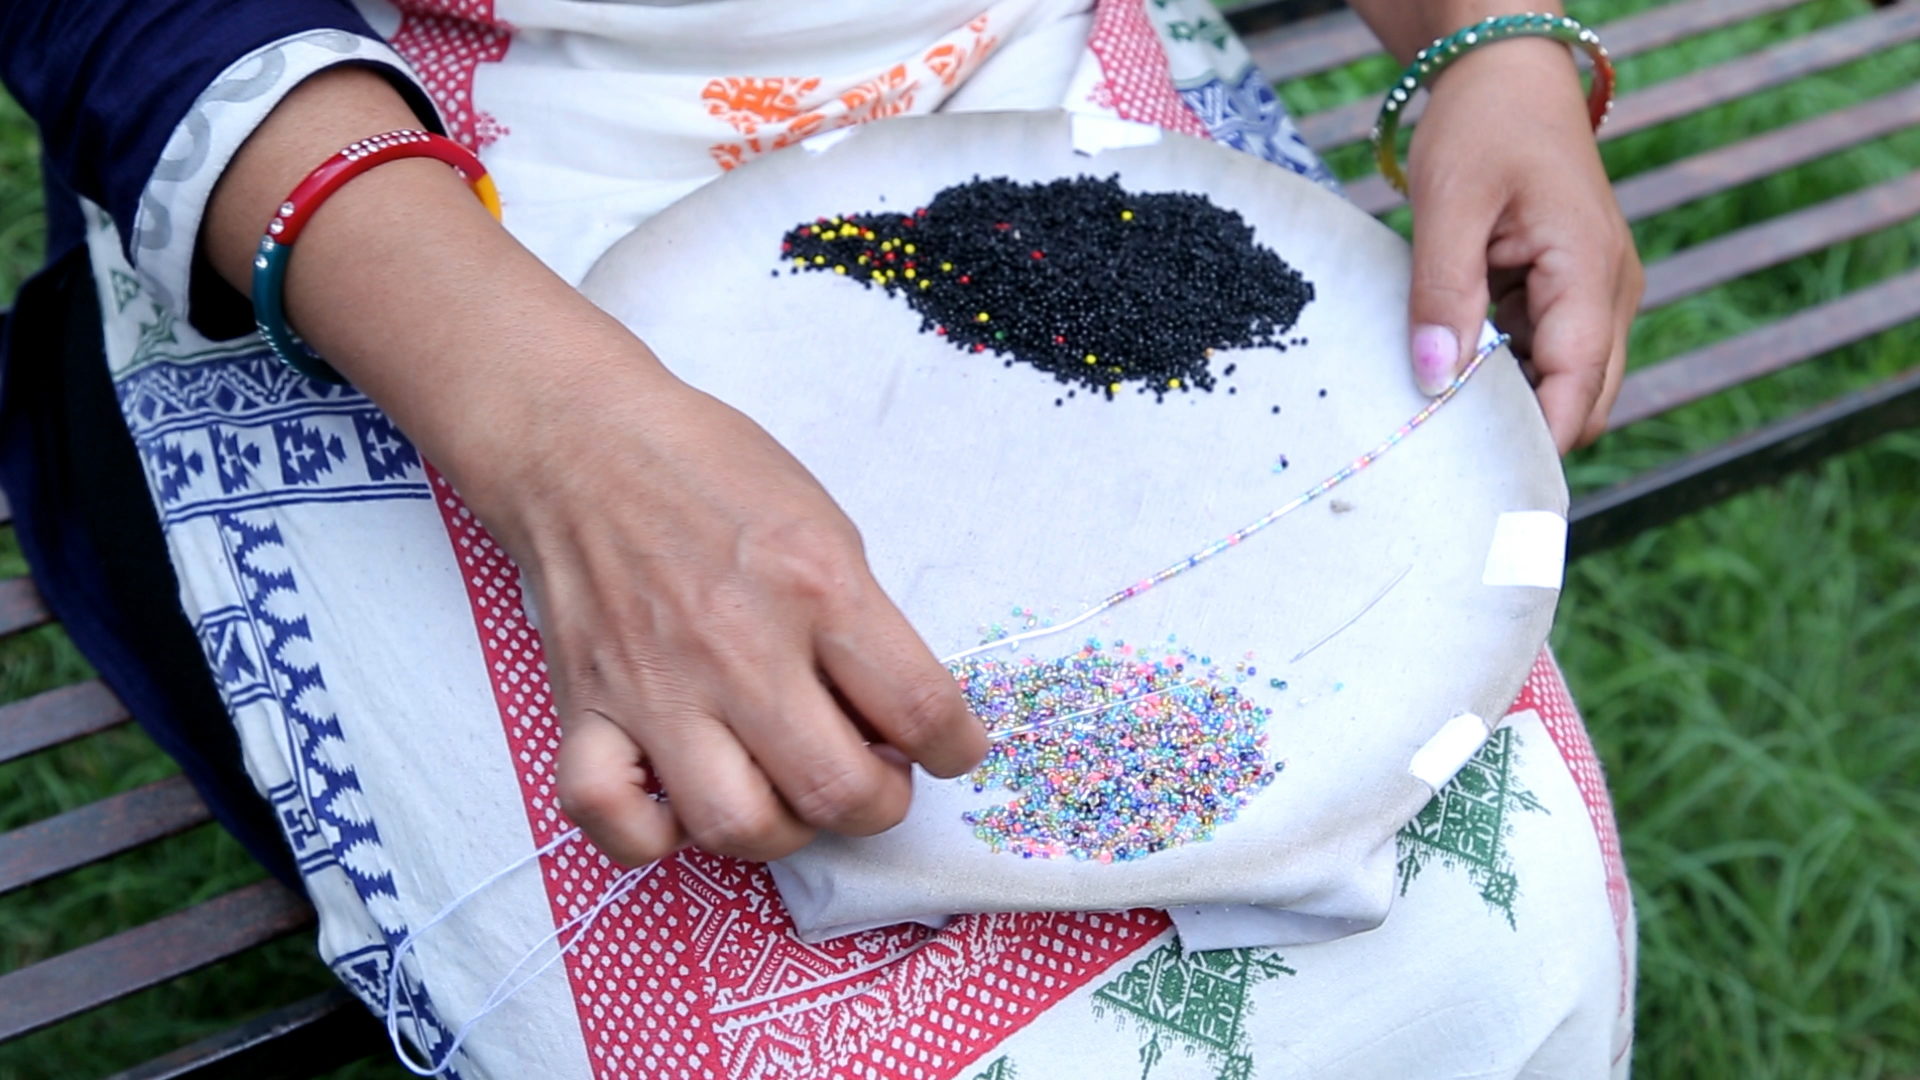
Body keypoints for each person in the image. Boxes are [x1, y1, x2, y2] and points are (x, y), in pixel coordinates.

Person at [0, 1, 1642, 1076]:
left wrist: (1479, 39)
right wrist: (562, 437)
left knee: (1497, 925)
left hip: (1012, 80)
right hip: (398, 200)